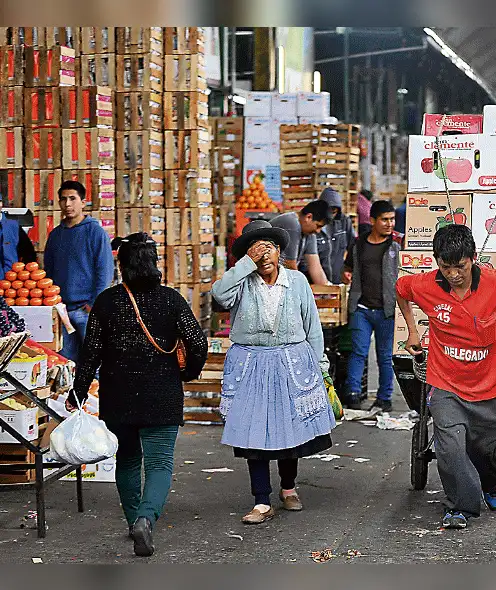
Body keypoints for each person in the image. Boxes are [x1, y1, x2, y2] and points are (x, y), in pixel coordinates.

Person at [69, 232, 208, 557]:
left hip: (118, 398)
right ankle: (147, 518)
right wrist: (187, 373)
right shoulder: (171, 300)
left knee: (128, 461)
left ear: (122, 263)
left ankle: (134, 522)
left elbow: (91, 354)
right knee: (159, 464)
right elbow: (198, 343)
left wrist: (77, 392)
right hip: (162, 395)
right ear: (154, 262)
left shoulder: (107, 301)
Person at [396, 224, 496, 530]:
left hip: (490, 383)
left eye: (460, 266)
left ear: (472, 258)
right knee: (451, 446)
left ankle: (492, 482)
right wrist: (412, 330)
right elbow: (401, 289)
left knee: (491, 443)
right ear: (436, 262)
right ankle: (460, 507)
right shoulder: (425, 284)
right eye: (446, 267)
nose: (454, 274)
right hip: (445, 383)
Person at [211, 220, 336, 526]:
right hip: (250, 363)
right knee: (253, 435)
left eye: (269, 249)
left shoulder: (297, 282)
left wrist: (321, 368)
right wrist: (244, 265)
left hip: (291, 363)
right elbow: (218, 295)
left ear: (280, 252)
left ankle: (288, 487)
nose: (264, 256)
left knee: (289, 431)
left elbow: (312, 328)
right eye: (256, 251)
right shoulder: (241, 282)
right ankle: (261, 500)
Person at [44, 180, 114, 362]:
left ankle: (96, 391)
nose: (67, 204)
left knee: (94, 361)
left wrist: (94, 304)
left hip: (87, 310)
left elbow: (105, 272)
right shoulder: (55, 235)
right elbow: (48, 272)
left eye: (73, 199)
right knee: (65, 362)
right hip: (61, 310)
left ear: (83, 202)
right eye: (63, 199)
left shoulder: (95, 232)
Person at [341, 200, 399, 412]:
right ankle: (353, 393)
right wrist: (347, 276)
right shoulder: (359, 244)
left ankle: (385, 397)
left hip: (387, 311)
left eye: (392, 219)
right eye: (384, 219)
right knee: (358, 352)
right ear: (373, 220)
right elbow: (347, 269)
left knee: (385, 356)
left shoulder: (396, 245)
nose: (389, 224)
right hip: (362, 309)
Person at [268, 200, 333, 286]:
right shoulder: (292, 224)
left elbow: (315, 266)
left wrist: (328, 289)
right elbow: (290, 265)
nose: (318, 231)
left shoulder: (309, 233)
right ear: (308, 217)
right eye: (318, 226)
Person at [315, 187, 355, 285]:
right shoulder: (313, 225)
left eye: (334, 211)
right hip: (317, 282)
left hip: (338, 280)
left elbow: (353, 247)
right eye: (328, 210)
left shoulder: (344, 222)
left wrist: (348, 269)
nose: (331, 214)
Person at [0, 195, 37, 274]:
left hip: (12, 282)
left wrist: (25, 277)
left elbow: (29, 254)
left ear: (1, 204)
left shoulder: (14, 227)